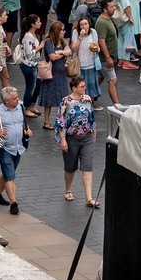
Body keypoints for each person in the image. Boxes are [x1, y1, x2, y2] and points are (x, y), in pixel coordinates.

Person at [54, 75, 100, 207]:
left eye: (85, 86)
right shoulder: (66, 102)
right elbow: (60, 122)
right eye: (82, 87)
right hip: (71, 138)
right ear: (74, 88)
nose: (84, 88)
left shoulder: (87, 99)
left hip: (87, 137)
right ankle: (68, 189)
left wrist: (94, 132)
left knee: (87, 167)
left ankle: (89, 198)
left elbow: (91, 117)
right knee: (70, 167)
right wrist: (63, 140)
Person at [0, 84, 29, 215]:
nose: (18, 99)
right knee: (10, 176)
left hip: (18, 147)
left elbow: (23, 124)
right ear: (6, 101)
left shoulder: (20, 107)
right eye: (15, 98)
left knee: (8, 172)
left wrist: (27, 131)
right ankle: (14, 203)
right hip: (5, 149)